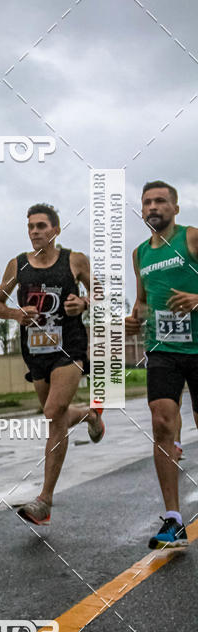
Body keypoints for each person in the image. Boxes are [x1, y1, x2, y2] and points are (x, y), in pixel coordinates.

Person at [0, 203, 104, 526]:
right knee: (57, 415)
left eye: (41, 226)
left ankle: (45, 500)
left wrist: (82, 302)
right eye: (30, 226)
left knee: (53, 413)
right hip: (36, 350)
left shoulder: (74, 260)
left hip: (69, 346)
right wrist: (17, 313)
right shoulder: (18, 265)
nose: (35, 231)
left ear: (55, 230)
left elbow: (97, 292)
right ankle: (89, 414)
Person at [126, 180, 198, 549]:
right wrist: (134, 318)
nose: (153, 207)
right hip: (163, 349)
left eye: (160, 201)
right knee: (161, 422)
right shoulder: (139, 253)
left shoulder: (192, 238)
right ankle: (173, 519)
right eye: (147, 202)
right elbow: (141, 300)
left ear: (175, 207)